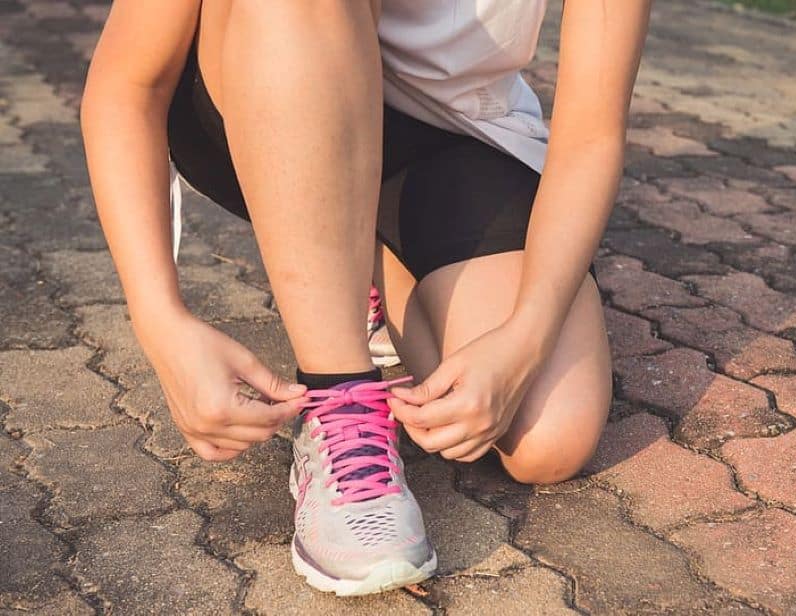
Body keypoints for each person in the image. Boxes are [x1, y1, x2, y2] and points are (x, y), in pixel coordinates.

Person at [81, 0, 651, 596]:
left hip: (454, 133)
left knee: (546, 437)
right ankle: (339, 400)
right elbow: (127, 84)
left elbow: (591, 133)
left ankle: (353, 261)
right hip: (266, 74)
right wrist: (160, 320)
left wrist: (526, 338)